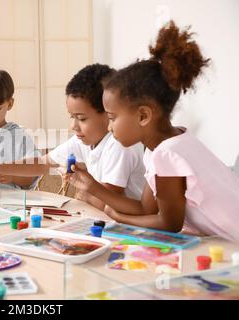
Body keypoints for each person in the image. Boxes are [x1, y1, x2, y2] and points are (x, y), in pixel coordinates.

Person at [69, 21, 239, 242]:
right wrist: (93, 186)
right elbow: (145, 208)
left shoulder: (166, 154)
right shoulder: (168, 143)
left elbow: (169, 224)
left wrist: (119, 217)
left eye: (112, 118)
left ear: (143, 116)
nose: (109, 127)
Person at [0, 64, 145, 210]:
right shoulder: (84, 140)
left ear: (108, 112)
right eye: (72, 117)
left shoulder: (120, 144)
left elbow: (107, 203)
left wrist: (86, 192)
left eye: (82, 118)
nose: (73, 126)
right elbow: (42, 163)